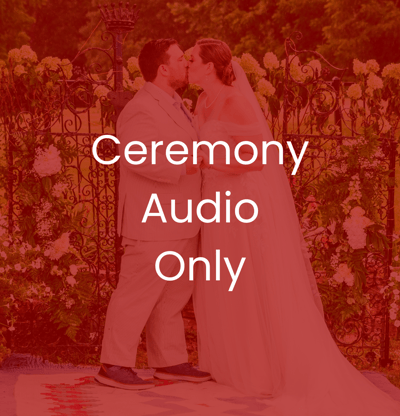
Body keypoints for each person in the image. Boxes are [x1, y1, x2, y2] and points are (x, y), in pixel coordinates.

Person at [188, 38, 400, 415]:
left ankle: (264, 370)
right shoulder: (201, 102)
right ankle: (231, 365)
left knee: (253, 276)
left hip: (240, 196)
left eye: (192, 59)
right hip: (214, 198)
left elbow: (256, 159)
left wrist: (212, 163)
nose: (188, 64)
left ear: (209, 66)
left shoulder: (234, 100)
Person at [96, 39, 211, 390]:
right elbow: (136, 156)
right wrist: (188, 165)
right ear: (163, 68)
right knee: (136, 292)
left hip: (182, 218)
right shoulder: (140, 108)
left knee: (173, 294)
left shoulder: (178, 105)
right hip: (153, 220)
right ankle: (113, 365)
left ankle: (170, 361)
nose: (186, 64)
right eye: (180, 59)